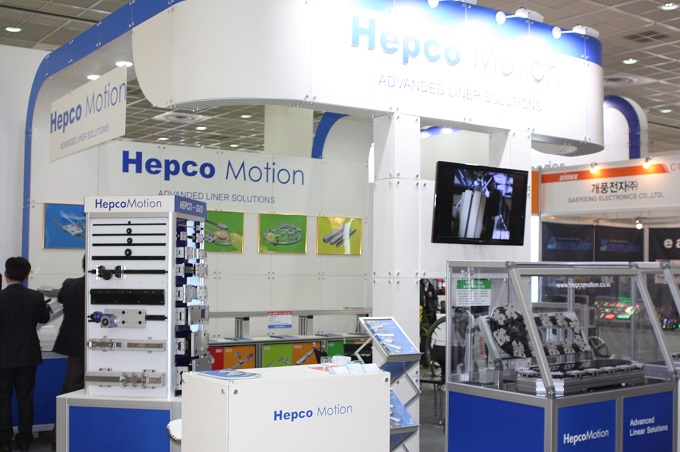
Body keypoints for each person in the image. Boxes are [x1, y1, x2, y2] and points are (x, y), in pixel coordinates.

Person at [0, 257, 50, 452]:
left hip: (3, 358)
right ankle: (24, 440)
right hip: (27, 356)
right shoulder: (36, 297)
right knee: (25, 399)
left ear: (6, 274)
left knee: (3, 400)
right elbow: (44, 318)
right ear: (27, 275)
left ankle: (4, 441)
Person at [51, 255, 86, 449]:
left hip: (73, 348)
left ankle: (59, 437)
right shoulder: (104, 287)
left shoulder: (69, 284)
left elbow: (61, 300)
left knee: (69, 392)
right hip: (99, 351)